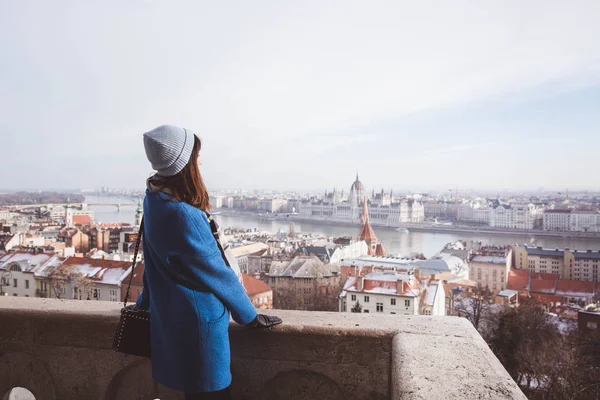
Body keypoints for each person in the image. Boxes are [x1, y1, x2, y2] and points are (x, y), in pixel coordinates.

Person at [136, 125, 282, 400]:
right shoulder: (183, 214)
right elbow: (218, 273)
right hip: (198, 331)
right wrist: (249, 316)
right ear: (185, 164)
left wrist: (144, 302)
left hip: (168, 323)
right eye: (196, 155)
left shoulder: (153, 199)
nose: (200, 161)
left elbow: (153, 259)